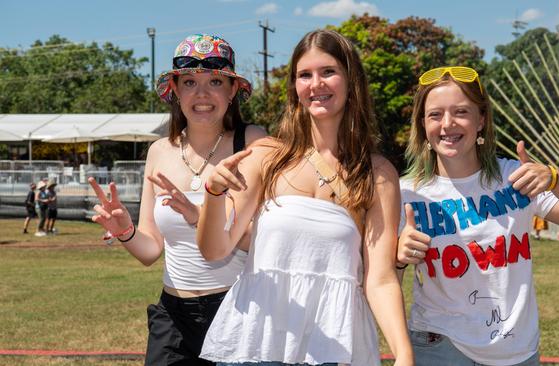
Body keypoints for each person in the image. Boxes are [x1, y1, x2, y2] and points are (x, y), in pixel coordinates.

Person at [197, 29, 413, 366]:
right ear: (295, 87)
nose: (316, 84)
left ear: (351, 79)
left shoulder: (377, 173)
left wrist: (403, 353)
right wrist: (213, 194)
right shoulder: (266, 156)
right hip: (258, 342)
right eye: (304, 75)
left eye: (328, 72)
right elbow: (215, 250)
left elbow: (381, 278)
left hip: (335, 346)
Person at [396, 66, 559, 366]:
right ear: (422, 124)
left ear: (481, 119)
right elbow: (382, 281)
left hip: (514, 351)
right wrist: (398, 256)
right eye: (435, 115)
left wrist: (556, 179)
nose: (447, 124)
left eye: (461, 111)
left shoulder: (515, 177)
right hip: (439, 346)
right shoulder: (405, 192)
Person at [87, 34, 266, 365]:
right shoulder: (158, 151)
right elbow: (151, 249)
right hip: (172, 315)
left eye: (215, 81)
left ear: (231, 91)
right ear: (176, 92)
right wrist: (125, 230)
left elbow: (266, 240)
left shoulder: (253, 143)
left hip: (239, 309)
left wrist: (201, 216)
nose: (201, 93)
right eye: (189, 82)